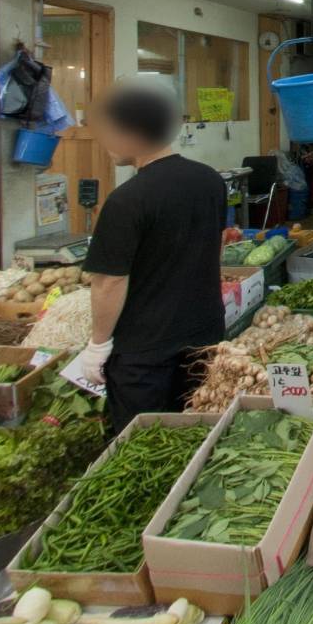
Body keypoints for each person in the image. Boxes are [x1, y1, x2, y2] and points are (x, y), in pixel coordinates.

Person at [78, 81, 227, 436]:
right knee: (197, 430)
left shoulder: (127, 200)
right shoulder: (210, 180)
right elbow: (217, 246)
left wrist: (97, 345)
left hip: (146, 351)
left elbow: (109, 280)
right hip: (205, 332)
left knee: (142, 445)